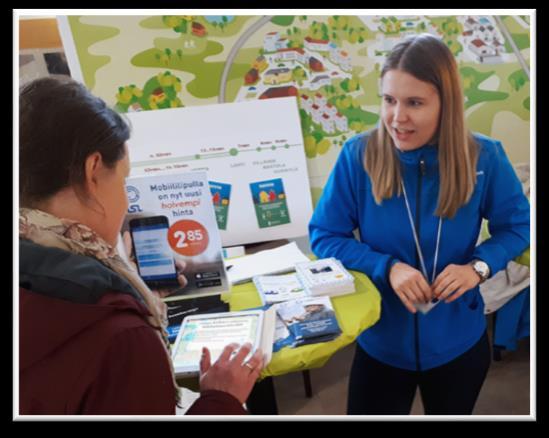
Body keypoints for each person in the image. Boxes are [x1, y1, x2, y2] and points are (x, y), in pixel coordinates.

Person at [309, 34, 530, 415]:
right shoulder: (358, 155)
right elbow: (325, 235)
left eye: (414, 103)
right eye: (389, 100)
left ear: (447, 104)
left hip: (459, 343)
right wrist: (387, 267)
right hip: (380, 344)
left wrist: (477, 268)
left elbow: (519, 228)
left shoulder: (486, 157)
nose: (397, 117)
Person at [19, 76, 264, 415]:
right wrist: (222, 398)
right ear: (93, 171)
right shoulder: (120, 335)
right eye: (124, 178)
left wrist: (132, 294)